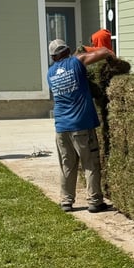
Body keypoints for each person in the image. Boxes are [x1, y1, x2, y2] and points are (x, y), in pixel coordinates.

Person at [47, 38, 112, 213]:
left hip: (61, 127)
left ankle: (66, 201)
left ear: (53, 57)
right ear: (66, 51)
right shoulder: (77, 61)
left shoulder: (50, 73)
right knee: (90, 163)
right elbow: (105, 52)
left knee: (67, 166)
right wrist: (90, 50)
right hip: (81, 125)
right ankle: (95, 201)